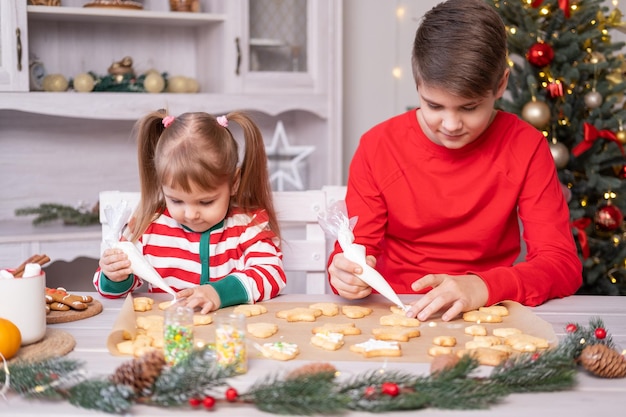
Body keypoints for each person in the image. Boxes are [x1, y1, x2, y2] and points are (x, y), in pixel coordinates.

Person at [327, 0, 582, 322]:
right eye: (434, 106)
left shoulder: (526, 147)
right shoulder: (378, 147)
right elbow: (356, 250)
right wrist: (345, 274)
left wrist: (483, 287)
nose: (450, 125)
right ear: (417, 84)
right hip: (395, 313)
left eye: (469, 108)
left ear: (500, 84)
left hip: (488, 313)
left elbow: (560, 264)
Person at [94, 110, 286, 313]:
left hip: (230, 336)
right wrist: (115, 276)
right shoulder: (148, 227)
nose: (191, 214)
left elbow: (271, 273)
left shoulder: (247, 225)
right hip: (165, 335)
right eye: (176, 200)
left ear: (234, 182)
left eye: (205, 202)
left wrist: (218, 293)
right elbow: (112, 291)